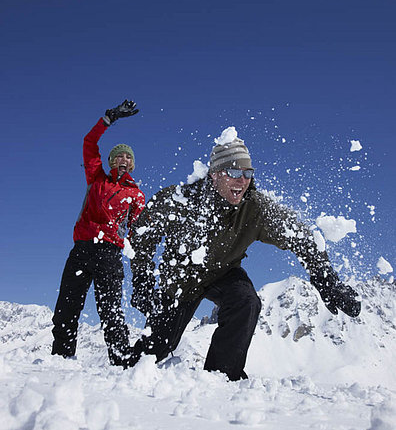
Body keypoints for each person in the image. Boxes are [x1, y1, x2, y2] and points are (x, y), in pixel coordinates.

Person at [127, 134, 361, 380]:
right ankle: (126, 370)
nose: (243, 181)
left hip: (224, 271)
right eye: (234, 173)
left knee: (246, 301)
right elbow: (142, 236)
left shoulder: (255, 208)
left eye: (248, 174)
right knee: (148, 358)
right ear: (215, 174)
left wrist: (326, 278)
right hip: (181, 278)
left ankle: (221, 377)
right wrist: (142, 280)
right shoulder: (178, 200)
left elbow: (300, 235)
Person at [51, 100, 145, 366]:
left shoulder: (136, 195)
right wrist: (108, 119)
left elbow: (138, 231)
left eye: (128, 156)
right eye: (119, 155)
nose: (123, 159)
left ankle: (121, 362)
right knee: (66, 308)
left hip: (109, 255)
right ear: (111, 161)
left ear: (132, 164)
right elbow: (89, 143)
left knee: (111, 312)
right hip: (81, 250)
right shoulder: (97, 178)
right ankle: (61, 358)